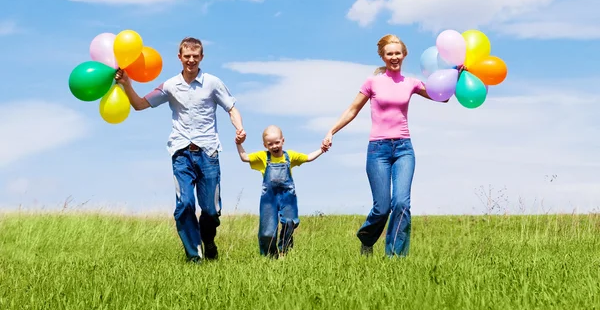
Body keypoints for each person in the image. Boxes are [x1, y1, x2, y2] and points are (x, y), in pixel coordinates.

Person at [115, 37, 246, 263]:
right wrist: (127, 84)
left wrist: (240, 128)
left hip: (208, 153)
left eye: (195, 56)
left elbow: (231, 107)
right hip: (181, 153)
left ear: (201, 57)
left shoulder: (213, 83)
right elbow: (139, 105)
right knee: (185, 204)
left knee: (211, 211)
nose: (191, 60)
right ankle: (194, 258)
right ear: (180, 57)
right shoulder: (170, 86)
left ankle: (209, 241)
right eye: (187, 56)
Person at [321, 34, 444, 257]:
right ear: (383, 56)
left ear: (404, 55)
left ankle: (395, 259)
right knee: (382, 207)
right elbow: (352, 110)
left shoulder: (411, 83)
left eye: (398, 53)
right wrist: (331, 131)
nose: (394, 57)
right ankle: (367, 239)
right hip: (378, 150)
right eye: (390, 54)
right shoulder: (372, 82)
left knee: (402, 203)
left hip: (404, 149)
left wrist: (458, 75)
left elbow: (441, 97)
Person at [235, 125, 327, 258]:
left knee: (290, 222)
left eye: (277, 142)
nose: (274, 146)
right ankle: (270, 257)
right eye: (270, 144)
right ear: (265, 145)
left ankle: (284, 251)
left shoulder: (290, 156)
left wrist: (322, 150)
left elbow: (308, 158)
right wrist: (239, 144)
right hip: (269, 199)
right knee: (267, 231)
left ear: (283, 141)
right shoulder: (262, 157)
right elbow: (245, 158)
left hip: (287, 197)